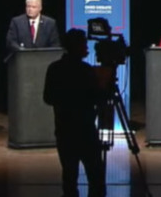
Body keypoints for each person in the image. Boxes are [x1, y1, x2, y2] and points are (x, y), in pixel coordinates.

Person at [43, 28, 106, 197]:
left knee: (69, 178)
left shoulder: (54, 68)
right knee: (96, 177)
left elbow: (48, 98)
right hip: (85, 131)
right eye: (84, 44)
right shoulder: (86, 70)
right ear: (76, 46)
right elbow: (97, 98)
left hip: (64, 131)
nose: (87, 48)